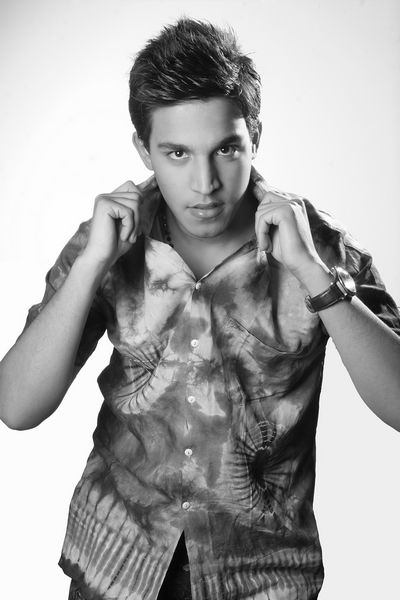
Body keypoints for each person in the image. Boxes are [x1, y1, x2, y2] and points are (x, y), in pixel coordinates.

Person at [0, 17, 399, 600]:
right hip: (117, 566)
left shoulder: (319, 248)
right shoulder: (109, 241)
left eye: (226, 149)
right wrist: (90, 266)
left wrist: (315, 274)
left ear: (254, 136)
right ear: (144, 149)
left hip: (261, 577)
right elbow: (16, 407)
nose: (205, 182)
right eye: (177, 153)